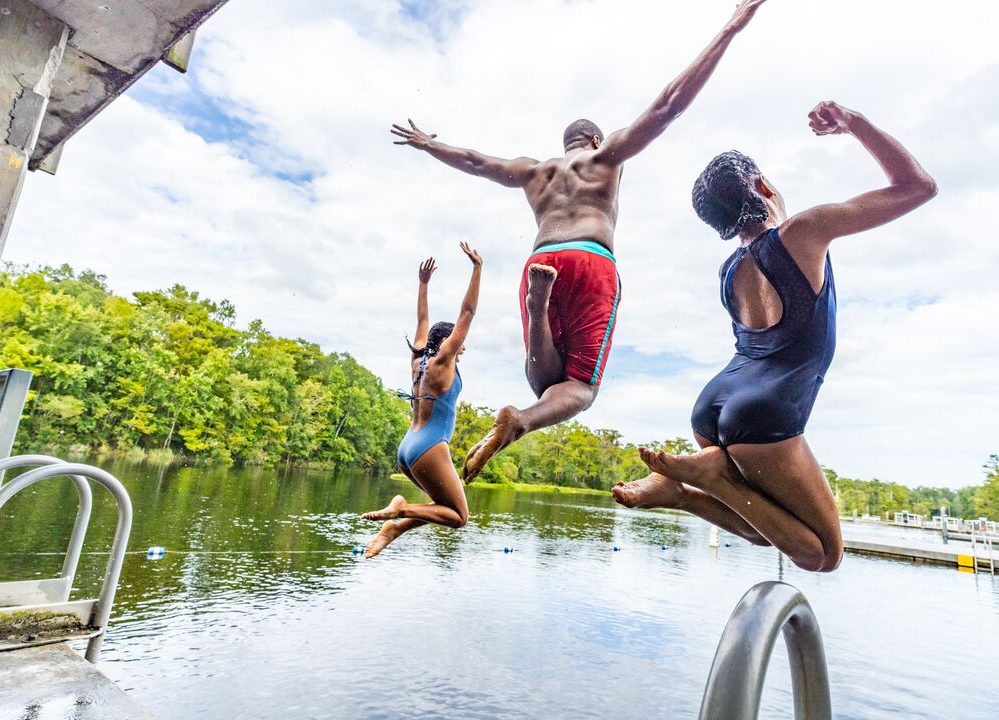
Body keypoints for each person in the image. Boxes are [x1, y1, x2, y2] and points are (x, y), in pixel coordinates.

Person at [390, 0, 770, 482]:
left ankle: (539, 299)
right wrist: (731, 26)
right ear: (592, 142)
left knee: (544, 381)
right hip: (591, 258)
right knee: (581, 391)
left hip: (541, 256)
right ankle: (522, 419)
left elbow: (475, 161)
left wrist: (429, 143)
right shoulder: (605, 157)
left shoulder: (534, 171)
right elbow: (669, 105)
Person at [612, 101, 938, 572]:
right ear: (763, 186)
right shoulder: (801, 232)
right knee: (822, 555)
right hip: (766, 409)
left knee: (768, 530)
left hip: (718, 402)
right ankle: (715, 478)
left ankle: (682, 492)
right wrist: (855, 123)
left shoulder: (730, 269)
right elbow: (918, 187)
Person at [362, 243, 483, 558]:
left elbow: (421, 321)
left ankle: (394, 527)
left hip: (408, 448)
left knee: (441, 508)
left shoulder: (418, 359)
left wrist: (423, 284)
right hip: (429, 446)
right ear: (446, 341)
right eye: (459, 341)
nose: (462, 346)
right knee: (459, 517)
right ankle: (400, 510)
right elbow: (467, 312)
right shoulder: (444, 360)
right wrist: (477, 269)